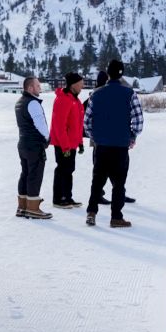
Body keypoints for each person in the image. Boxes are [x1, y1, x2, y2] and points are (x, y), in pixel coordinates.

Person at [84, 59, 143, 227]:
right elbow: (138, 120)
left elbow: (87, 121)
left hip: (101, 146)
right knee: (119, 184)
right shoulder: (130, 93)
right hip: (120, 145)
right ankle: (116, 217)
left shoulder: (96, 94)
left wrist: (94, 137)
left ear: (108, 74)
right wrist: (132, 137)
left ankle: (91, 213)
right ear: (122, 73)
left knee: (97, 181)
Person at [84, 70, 135, 206]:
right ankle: (104, 195)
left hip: (102, 138)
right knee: (105, 170)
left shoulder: (97, 94)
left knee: (104, 170)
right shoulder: (98, 95)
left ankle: (116, 193)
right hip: (103, 139)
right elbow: (87, 118)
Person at [15, 76, 52, 219]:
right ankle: (32, 208)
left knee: (25, 174)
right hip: (34, 145)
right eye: (37, 86)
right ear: (30, 88)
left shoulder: (19, 102)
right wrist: (47, 138)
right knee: (34, 175)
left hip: (23, 143)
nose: (40, 88)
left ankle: (22, 206)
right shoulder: (33, 103)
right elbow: (40, 124)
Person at [49, 71, 85, 207]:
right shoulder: (63, 99)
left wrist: (80, 142)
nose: (82, 86)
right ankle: (58, 198)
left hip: (72, 143)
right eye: (80, 83)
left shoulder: (76, 100)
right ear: (73, 85)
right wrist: (64, 147)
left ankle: (68, 197)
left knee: (69, 170)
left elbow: (78, 124)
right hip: (63, 144)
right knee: (62, 169)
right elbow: (59, 126)